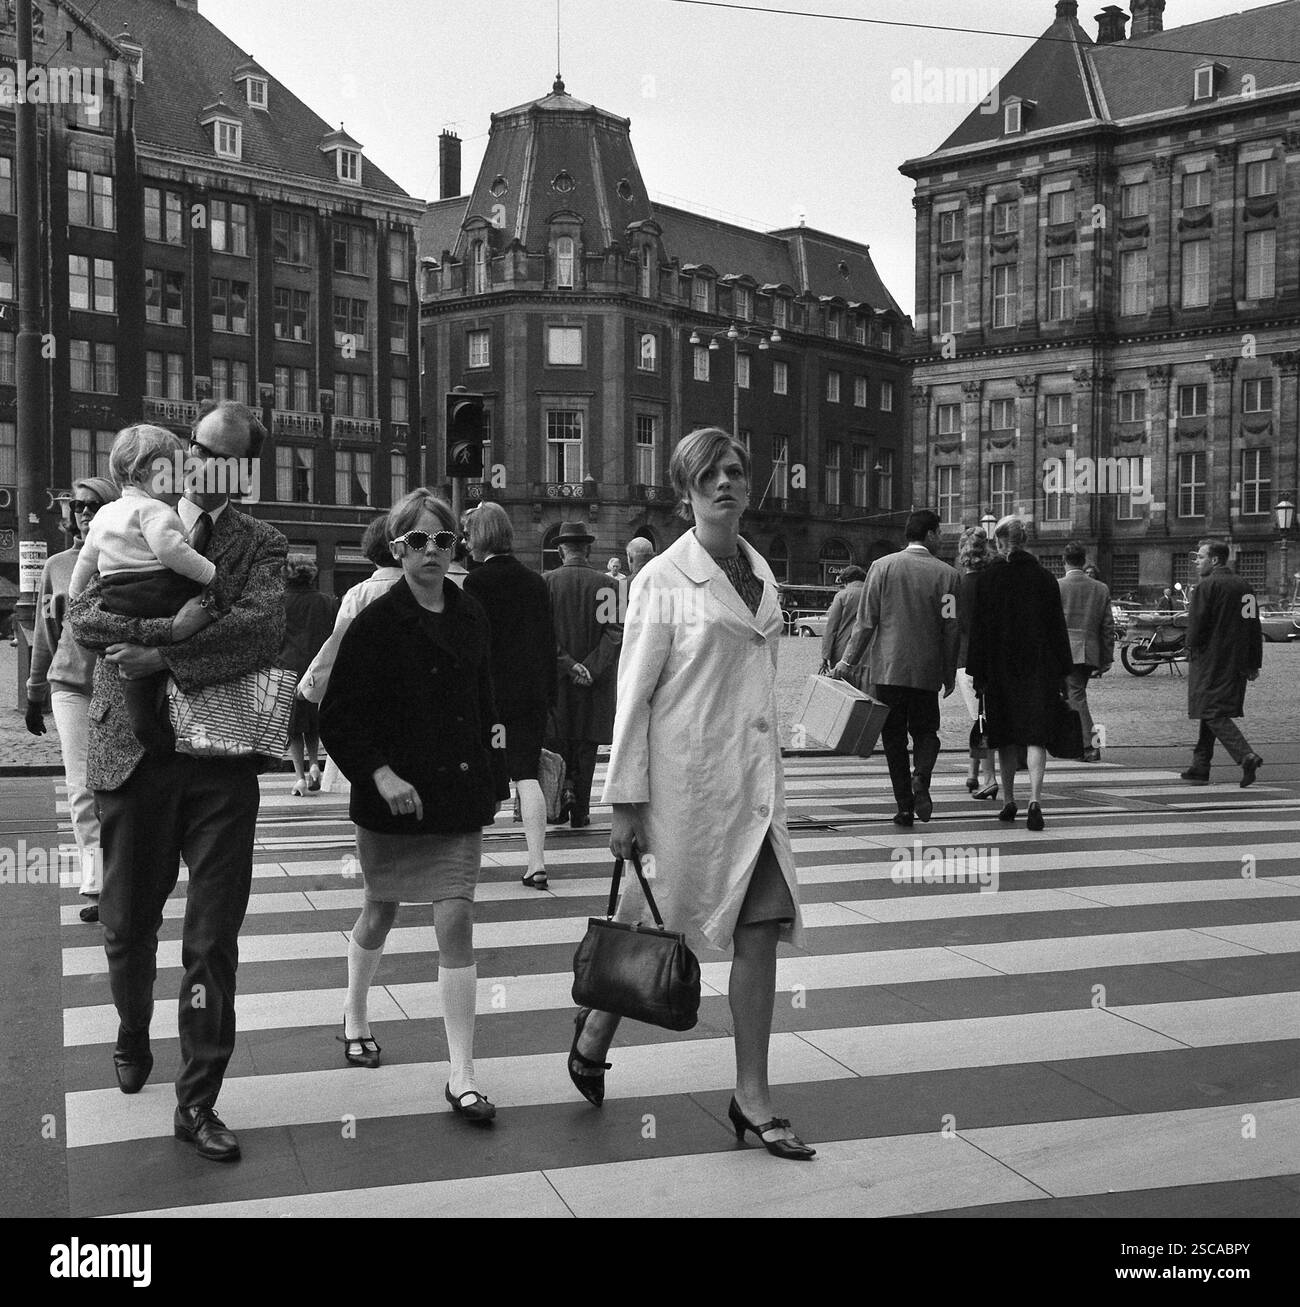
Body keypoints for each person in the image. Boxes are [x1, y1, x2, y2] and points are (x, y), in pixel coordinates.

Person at [570, 426, 814, 1161]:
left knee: (759, 926)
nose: (724, 483)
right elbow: (632, 694)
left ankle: (752, 1096)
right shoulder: (662, 580)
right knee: (649, 924)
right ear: (686, 492)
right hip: (682, 785)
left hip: (751, 788)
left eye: (735, 470)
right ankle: (595, 1028)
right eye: (708, 475)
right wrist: (623, 801)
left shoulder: (759, 570)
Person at [67, 401, 286, 1163]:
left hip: (221, 762)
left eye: (221, 454)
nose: (199, 462)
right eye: (194, 446)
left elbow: (258, 629)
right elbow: (82, 614)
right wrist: (175, 630)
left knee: (212, 940)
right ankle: (132, 1027)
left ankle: (198, 1099)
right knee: (127, 925)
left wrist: (159, 652)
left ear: (246, 468)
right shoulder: (132, 513)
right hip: (131, 755)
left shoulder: (261, 542)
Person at [319, 490, 509, 1123]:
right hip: (395, 799)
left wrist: (498, 776)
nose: (432, 552)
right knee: (380, 909)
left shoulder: (473, 614)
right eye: (418, 541)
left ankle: (462, 1074)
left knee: (456, 918)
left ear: (457, 548)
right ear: (396, 548)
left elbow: (486, 704)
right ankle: (355, 1010)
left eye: (443, 541)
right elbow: (339, 715)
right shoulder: (374, 620)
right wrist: (380, 774)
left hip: (454, 795)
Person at [68, 425, 220, 755]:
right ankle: (164, 728)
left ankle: (149, 730)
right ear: (140, 473)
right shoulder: (154, 511)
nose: (181, 479)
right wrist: (211, 575)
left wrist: (76, 593)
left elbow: (85, 562)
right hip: (157, 593)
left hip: (116, 597)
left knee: (136, 686)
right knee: (205, 608)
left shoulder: (106, 514)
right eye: (170, 471)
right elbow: (172, 553)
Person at [25, 476, 120, 923]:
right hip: (69, 684)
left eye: (93, 505)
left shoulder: (128, 559)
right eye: (78, 506)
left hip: (120, 684)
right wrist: (34, 691)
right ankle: (97, 885)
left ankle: (127, 874)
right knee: (82, 787)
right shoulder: (57, 566)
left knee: (120, 787)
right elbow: (45, 632)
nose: (83, 513)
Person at [831, 510, 959, 828]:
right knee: (927, 733)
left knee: (893, 740)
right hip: (926, 672)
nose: (941, 538)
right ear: (929, 534)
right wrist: (948, 670)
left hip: (887, 670)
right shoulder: (948, 576)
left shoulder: (881, 568)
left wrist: (846, 662)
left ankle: (904, 806)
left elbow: (866, 621)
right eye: (939, 532)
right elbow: (951, 627)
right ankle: (921, 779)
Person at [464, 502, 558, 888]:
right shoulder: (535, 581)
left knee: (483, 774)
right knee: (526, 774)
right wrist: (548, 695)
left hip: (492, 697)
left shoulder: (476, 583)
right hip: (531, 695)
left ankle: (467, 865)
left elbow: (476, 645)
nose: (466, 543)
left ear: (481, 537)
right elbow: (547, 642)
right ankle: (536, 861)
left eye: (469, 535)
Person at [965, 516, 1073, 832]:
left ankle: (1009, 800)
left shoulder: (988, 579)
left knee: (1006, 737)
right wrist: (1063, 673)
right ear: (1024, 541)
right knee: (1036, 736)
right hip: (1039, 669)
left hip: (999, 671)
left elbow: (979, 632)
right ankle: (1036, 800)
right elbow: (1057, 630)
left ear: (998, 542)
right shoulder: (1044, 578)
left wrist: (978, 675)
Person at [298, 516, 401, 796]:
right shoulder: (421, 588)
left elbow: (337, 645)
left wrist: (310, 686)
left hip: (368, 697)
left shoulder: (359, 594)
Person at [544, 521, 621, 828]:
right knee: (586, 747)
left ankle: (560, 804)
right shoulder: (610, 585)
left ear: (561, 550)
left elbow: (542, 633)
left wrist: (567, 664)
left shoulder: (546, 582)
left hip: (558, 682)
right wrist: (590, 667)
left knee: (559, 744)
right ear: (587, 549)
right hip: (594, 683)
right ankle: (582, 810)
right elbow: (615, 632)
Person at [1180, 539, 1264, 787]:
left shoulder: (1206, 586)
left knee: (1211, 710)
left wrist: (1189, 648)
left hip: (1211, 660)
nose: (1196, 561)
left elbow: (1196, 625)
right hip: (1237, 660)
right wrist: (1253, 662)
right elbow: (1253, 625)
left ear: (1214, 560)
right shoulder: (1244, 585)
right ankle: (1200, 765)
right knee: (1212, 708)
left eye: (1200, 557)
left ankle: (1245, 755)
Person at [278, 555, 338, 796]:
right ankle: (315, 765)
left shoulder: (279, 603)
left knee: (293, 727)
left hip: (287, 667)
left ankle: (300, 777)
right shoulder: (326, 601)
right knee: (313, 721)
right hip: (317, 668)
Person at [1059, 540, 1115, 764]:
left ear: (1064, 561)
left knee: (1076, 697)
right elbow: (1108, 626)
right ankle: (1077, 742)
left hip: (1066, 651)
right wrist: (1107, 656)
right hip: (1090, 650)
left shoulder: (1058, 586)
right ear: (1084, 562)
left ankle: (1091, 746)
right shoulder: (1100, 588)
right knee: (1075, 696)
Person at [954, 527, 997, 798]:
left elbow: (952, 626)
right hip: (991, 659)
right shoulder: (994, 584)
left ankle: (983, 775)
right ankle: (978, 774)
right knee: (983, 717)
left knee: (979, 717)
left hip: (964, 660)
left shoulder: (956, 587)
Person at [818, 564, 867, 672]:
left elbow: (831, 628)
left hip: (842, 652)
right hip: (868, 653)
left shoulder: (842, 596)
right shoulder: (873, 594)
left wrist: (825, 657)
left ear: (845, 581)